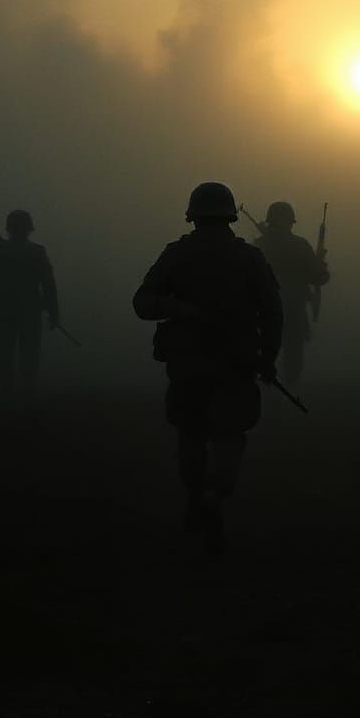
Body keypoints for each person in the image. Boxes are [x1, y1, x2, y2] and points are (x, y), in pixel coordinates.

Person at [133, 182, 283, 555]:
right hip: (236, 363)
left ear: (194, 215)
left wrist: (176, 308)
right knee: (229, 436)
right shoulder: (249, 258)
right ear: (230, 215)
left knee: (192, 434)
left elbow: (143, 303)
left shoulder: (177, 256)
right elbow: (273, 313)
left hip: (190, 364)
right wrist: (267, 358)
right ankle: (215, 498)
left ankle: (198, 498)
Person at [0, 209, 59, 397]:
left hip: (4, 311)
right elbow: (49, 286)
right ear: (28, 230)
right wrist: (53, 313)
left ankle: (8, 395)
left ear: (9, 229)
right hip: (28, 311)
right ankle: (24, 396)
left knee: (4, 354)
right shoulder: (36, 252)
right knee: (28, 356)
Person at [252, 201, 329, 385]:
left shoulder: (260, 246)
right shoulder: (299, 246)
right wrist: (319, 264)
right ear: (290, 222)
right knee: (292, 364)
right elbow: (319, 278)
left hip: (264, 313)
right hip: (291, 312)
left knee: (263, 360)